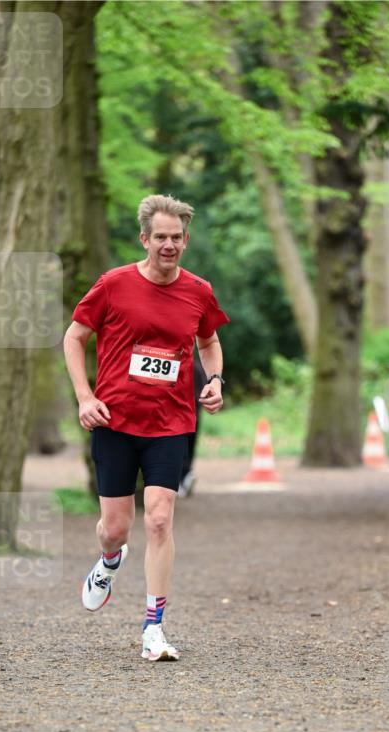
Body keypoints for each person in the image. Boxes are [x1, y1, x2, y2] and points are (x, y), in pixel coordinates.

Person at [63, 194, 229, 661]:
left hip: (170, 422)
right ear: (144, 239)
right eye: (160, 237)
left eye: (176, 237)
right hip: (115, 421)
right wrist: (85, 397)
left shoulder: (198, 291)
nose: (169, 245)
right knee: (116, 528)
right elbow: (74, 337)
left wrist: (215, 380)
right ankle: (110, 559)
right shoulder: (113, 284)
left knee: (158, 519)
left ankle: (153, 628)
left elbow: (209, 341)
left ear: (186, 240)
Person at [177, 356, 207, 498]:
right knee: (189, 448)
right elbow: (203, 394)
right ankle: (187, 475)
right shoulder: (198, 368)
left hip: (179, 417)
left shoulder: (177, 366)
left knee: (181, 449)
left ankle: (183, 479)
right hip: (194, 416)